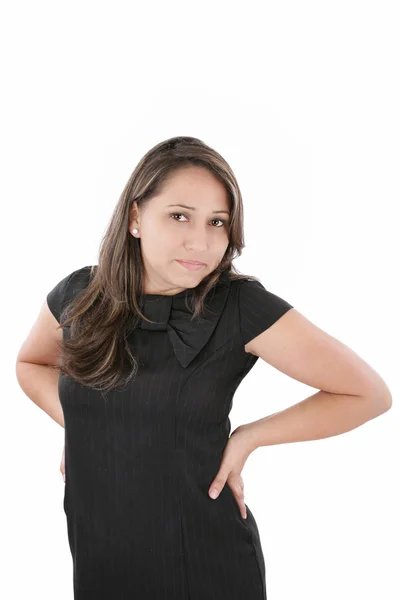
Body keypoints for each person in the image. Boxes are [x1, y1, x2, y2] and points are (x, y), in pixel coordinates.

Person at [16, 136, 392, 599]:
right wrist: (85, 426)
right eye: (179, 216)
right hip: (99, 558)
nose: (202, 240)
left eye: (218, 222)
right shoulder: (77, 293)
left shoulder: (240, 307)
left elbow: (367, 394)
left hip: (204, 563)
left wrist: (249, 437)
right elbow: (30, 363)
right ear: (135, 218)